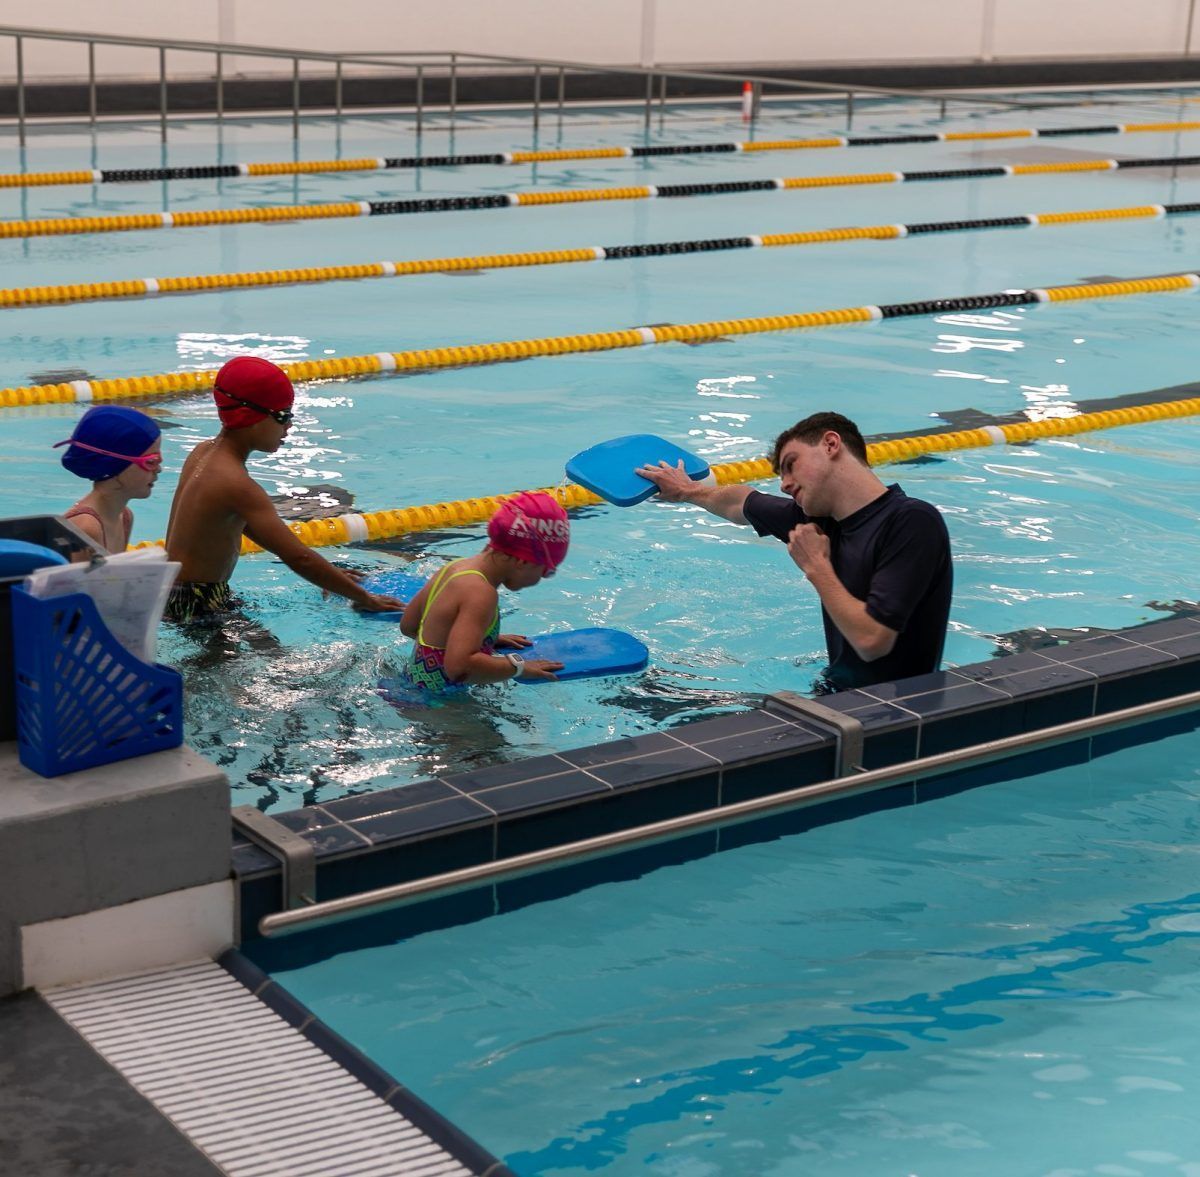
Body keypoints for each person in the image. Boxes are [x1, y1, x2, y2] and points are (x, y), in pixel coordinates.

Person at [637, 411, 952, 693]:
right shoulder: (819, 522)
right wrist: (688, 491)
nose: (785, 484)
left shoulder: (911, 520)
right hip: (836, 697)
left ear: (831, 444)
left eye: (790, 465)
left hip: (893, 716)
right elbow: (740, 501)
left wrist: (817, 566)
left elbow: (872, 641)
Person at [164, 355, 403, 623]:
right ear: (252, 416)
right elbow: (298, 558)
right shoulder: (236, 484)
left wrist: (333, 578)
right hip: (196, 605)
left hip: (178, 595)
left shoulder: (202, 454)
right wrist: (366, 598)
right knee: (274, 651)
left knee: (264, 643)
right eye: (283, 415)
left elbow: (277, 542)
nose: (289, 426)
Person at [399, 491, 569, 693]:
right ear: (523, 561)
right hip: (438, 705)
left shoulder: (455, 568)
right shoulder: (481, 593)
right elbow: (460, 668)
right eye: (547, 571)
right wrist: (518, 666)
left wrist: (474, 639)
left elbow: (409, 625)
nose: (541, 578)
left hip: (409, 688)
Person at [54, 405, 162, 555]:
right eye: (151, 462)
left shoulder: (124, 517)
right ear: (115, 465)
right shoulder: (85, 528)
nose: (159, 469)